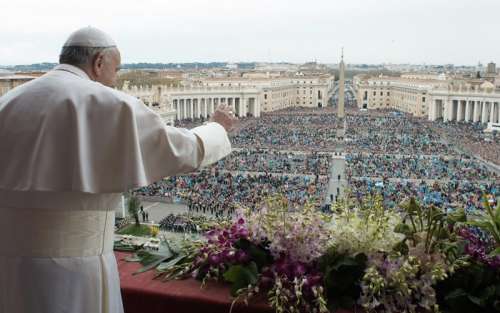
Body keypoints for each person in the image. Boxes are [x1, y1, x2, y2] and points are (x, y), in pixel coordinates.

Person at [0, 26, 236, 313]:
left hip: (9, 268)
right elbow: (178, 148)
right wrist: (216, 128)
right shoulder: (106, 102)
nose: (115, 79)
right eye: (117, 69)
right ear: (98, 62)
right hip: (76, 269)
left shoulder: (8, 101)